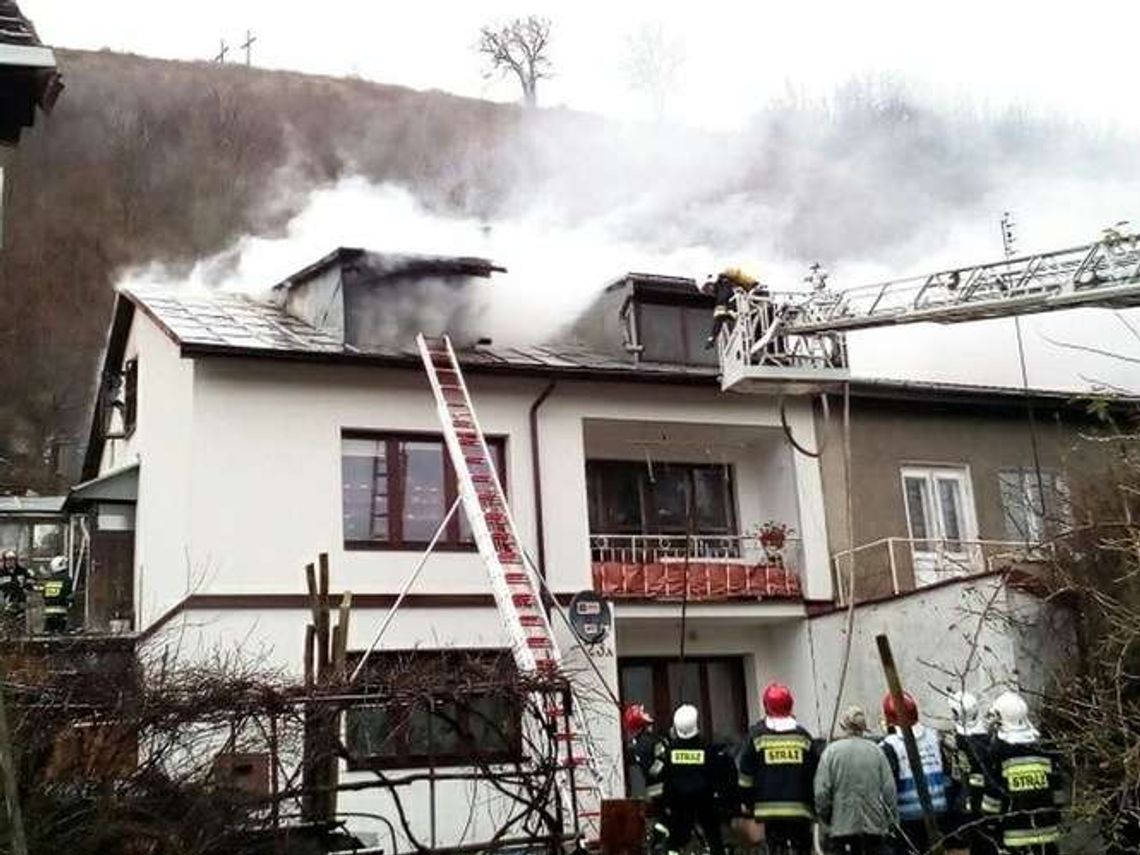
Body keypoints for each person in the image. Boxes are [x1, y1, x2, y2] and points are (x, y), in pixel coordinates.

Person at [737, 682, 817, 855]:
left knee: (774, 847)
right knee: (802, 847)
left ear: (766, 706)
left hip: (768, 810)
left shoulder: (757, 736)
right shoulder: (803, 737)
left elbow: (745, 776)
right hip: (801, 810)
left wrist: (748, 803)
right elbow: (814, 775)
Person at [980, 692, 1064, 855]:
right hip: (1046, 832)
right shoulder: (1044, 747)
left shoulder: (1000, 751)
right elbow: (1058, 791)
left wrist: (988, 823)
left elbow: (993, 796)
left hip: (1015, 835)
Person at [815, 706, 898, 855]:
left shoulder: (831, 753)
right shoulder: (876, 751)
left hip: (842, 830)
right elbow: (889, 791)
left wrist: (827, 819)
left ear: (843, 726)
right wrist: (892, 824)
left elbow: (821, 793)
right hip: (874, 829)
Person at [880, 691, 949, 854]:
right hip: (938, 810)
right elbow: (946, 773)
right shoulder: (934, 737)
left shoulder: (890, 746)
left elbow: (887, 785)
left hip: (908, 815)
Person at [659, 704, 725, 855]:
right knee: (714, 837)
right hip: (705, 802)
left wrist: (666, 802)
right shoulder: (706, 748)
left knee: (675, 841)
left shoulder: (671, 750)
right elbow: (715, 775)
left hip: (679, 804)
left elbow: (667, 778)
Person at [943, 691, 996, 855]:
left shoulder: (966, 741)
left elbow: (967, 773)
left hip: (972, 798)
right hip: (975, 797)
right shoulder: (983, 737)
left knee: (980, 842)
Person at [622, 703, 671, 850]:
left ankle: (658, 842)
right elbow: (653, 770)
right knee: (670, 822)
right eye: (643, 713)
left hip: (659, 790)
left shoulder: (645, 741)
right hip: (663, 790)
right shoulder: (646, 743)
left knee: (667, 821)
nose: (647, 713)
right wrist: (668, 763)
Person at [704, 268, 758, 349]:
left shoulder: (722, 287)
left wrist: (712, 338)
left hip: (740, 305)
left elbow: (719, 317)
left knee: (722, 313)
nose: (709, 292)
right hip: (744, 303)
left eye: (708, 289)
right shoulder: (726, 284)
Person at [0, 549, 32, 630]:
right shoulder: (1, 573)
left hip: (20, 603)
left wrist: (27, 588)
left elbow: (29, 585)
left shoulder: (22, 572)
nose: (10, 562)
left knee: (20, 625)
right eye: (8, 559)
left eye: (12, 559)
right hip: (4, 604)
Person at [40, 555, 73, 634]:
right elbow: (67, 594)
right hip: (61, 613)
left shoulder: (49, 580)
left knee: (47, 635)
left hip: (48, 614)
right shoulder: (67, 579)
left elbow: (44, 594)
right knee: (60, 635)